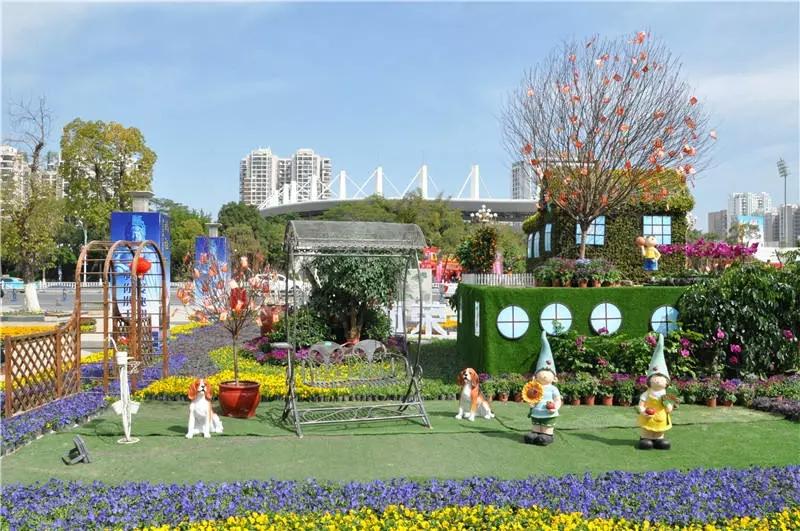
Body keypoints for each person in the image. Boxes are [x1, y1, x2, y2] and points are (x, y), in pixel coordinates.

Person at [523, 332, 562, 446]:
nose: (544, 375)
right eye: (541, 372)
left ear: (554, 378)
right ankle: (535, 434)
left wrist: (555, 407)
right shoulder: (534, 387)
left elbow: (557, 400)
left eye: (548, 372)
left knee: (546, 428)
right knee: (536, 426)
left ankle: (547, 436)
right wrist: (530, 402)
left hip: (548, 413)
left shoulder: (553, 389)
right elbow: (530, 397)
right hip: (536, 412)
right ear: (535, 376)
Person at [636, 334, 674, 450]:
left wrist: (669, 407)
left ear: (666, 382)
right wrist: (643, 411)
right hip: (648, 417)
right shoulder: (647, 393)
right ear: (649, 381)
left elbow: (669, 406)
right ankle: (645, 438)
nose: (658, 380)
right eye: (655, 377)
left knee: (660, 433)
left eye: (661, 378)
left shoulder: (666, 394)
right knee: (647, 434)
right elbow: (641, 405)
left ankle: (659, 439)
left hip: (661, 418)